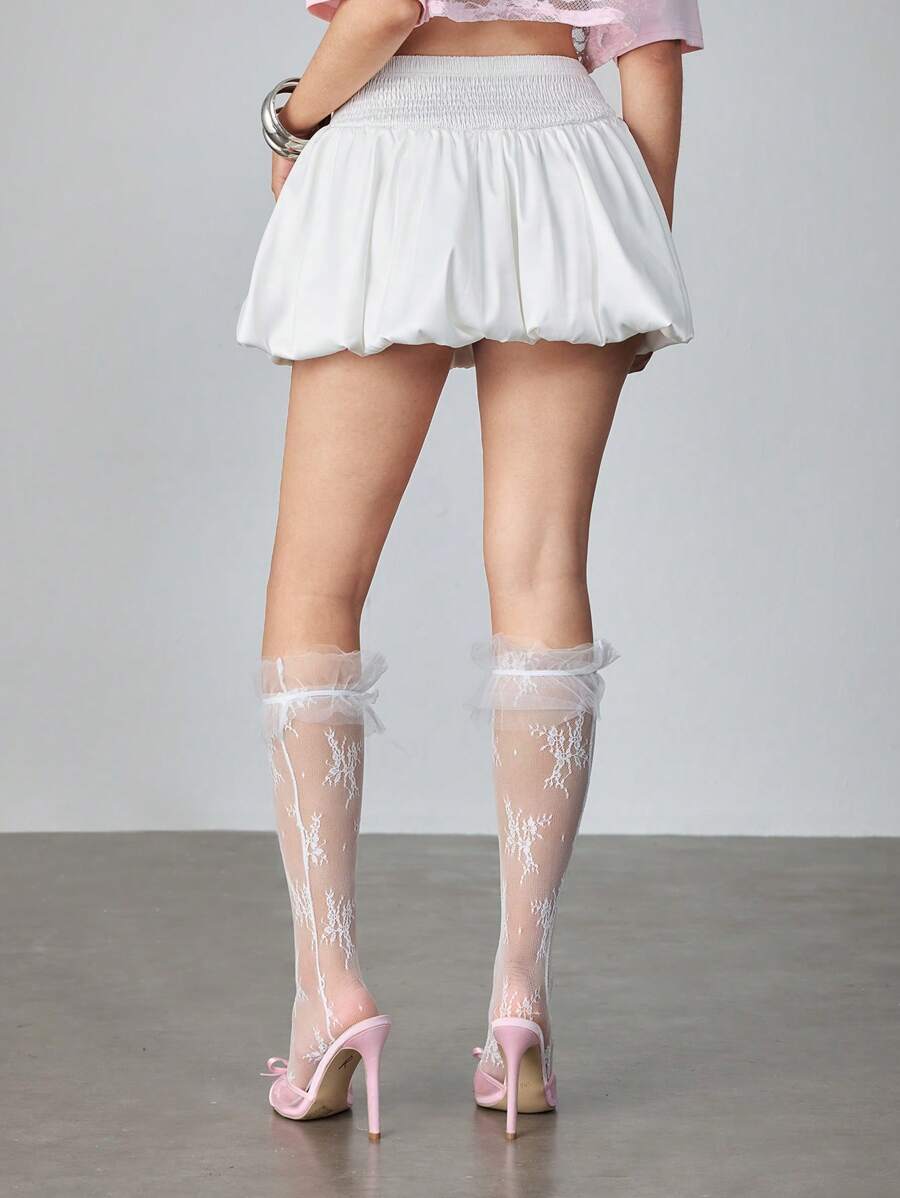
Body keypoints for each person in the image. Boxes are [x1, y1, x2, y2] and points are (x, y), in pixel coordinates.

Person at [239, 0, 702, 1141]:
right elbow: (648, 62)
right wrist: (632, 254)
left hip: (394, 149)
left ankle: (330, 994)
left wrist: (293, 122)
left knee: (317, 584)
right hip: (573, 156)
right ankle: (520, 999)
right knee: (543, 572)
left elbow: (388, 9)